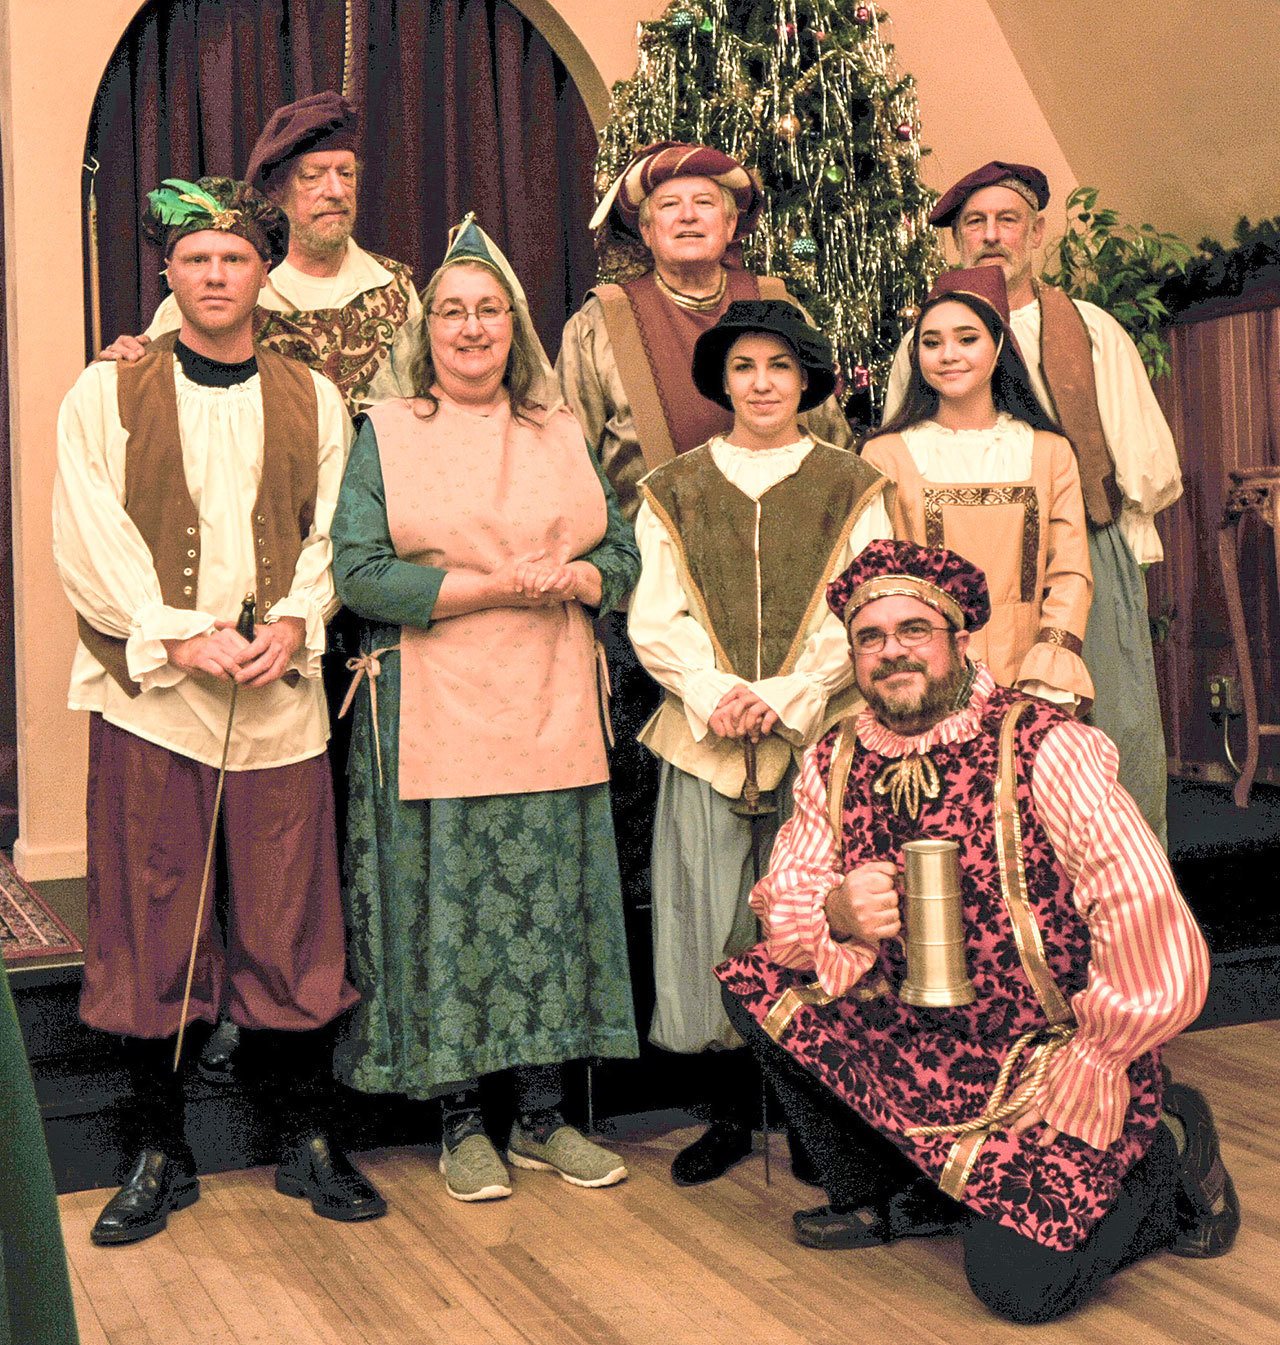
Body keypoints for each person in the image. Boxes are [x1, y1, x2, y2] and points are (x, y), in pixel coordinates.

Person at [718, 539, 1238, 1324]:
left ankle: (1167, 1160)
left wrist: (1098, 1053)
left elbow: (1143, 912)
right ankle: (891, 1190)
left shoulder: (1045, 746)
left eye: (914, 629)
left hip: (1041, 1060)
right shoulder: (836, 754)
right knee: (758, 983)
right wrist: (835, 911)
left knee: (1017, 1287)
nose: (891, 651)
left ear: (960, 639)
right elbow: (787, 897)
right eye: (870, 636)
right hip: (912, 1035)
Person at [52, 176, 385, 1245]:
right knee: (152, 920)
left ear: (260, 275)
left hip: (278, 696)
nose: (214, 275)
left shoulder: (314, 397)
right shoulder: (103, 393)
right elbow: (87, 532)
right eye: (196, 259)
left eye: (234, 259)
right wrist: (178, 634)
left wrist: (292, 623)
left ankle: (307, 1136)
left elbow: (335, 530)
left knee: (292, 918)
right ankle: (158, 1145)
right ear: (167, 272)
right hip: (157, 698)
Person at [331, 215, 639, 1204]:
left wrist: (579, 572)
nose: (470, 329)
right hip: (436, 710)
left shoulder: (557, 431)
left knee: (548, 917)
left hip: (548, 703)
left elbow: (624, 559)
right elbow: (359, 575)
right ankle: (462, 1121)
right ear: (428, 333)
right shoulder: (386, 432)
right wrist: (488, 588)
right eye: (452, 313)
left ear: (514, 328)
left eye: (488, 312)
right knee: (455, 920)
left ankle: (545, 1120)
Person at [554, 139, 856, 968]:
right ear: (642, 230)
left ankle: (802, 975)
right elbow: (567, 455)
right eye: (668, 208)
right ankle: (683, 998)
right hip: (649, 603)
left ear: (732, 221)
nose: (688, 218)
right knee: (659, 804)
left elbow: (834, 451)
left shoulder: (779, 302)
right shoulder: (601, 321)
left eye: (704, 204)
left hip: (791, 606)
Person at [628, 300, 892, 1184]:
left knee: (816, 917)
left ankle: (816, 1113)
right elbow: (654, 615)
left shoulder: (850, 483)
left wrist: (787, 695)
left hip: (817, 736)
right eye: (745, 367)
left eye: (781, 366)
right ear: (722, 381)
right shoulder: (675, 487)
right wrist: (715, 692)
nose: (763, 383)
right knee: (714, 917)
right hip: (705, 738)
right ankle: (730, 1111)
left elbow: (863, 600)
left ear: (806, 379)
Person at [884, 160, 1181, 843]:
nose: (991, 236)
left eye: (1006, 220)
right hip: (958, 561)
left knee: (1110, 726)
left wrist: (1114, 558)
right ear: (956, 241)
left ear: (1036, 232)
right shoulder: (925, 342)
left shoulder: (1090, 329)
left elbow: (1145, 463)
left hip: (1087, 551)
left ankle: (1125, 905)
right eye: (973, 223)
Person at [100, 91, 420, 417]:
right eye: (313, 176)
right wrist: (126, 361)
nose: (336, 191)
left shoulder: (395, 287)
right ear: (276, 190)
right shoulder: (230, 284)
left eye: (346, 174)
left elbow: (425, 404)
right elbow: (155, 380)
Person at [863, 266, 1093, 709]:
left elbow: (1070, 573)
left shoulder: (1049, 452)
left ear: (999, 344)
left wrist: (1046, 673)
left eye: (967, 339)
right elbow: (882, 583)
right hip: (925, 682)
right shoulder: (885, 456)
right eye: (931, 342)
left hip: (1031, 683)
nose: (948, 354)